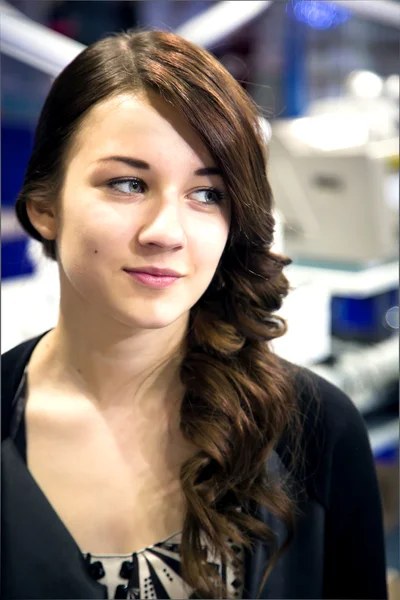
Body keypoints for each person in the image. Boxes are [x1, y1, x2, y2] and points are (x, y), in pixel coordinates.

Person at [1, 29, 387, 600]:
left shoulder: (314, 432)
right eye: (128, 184)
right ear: (44, 208)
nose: (166, 232)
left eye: (207, 195)